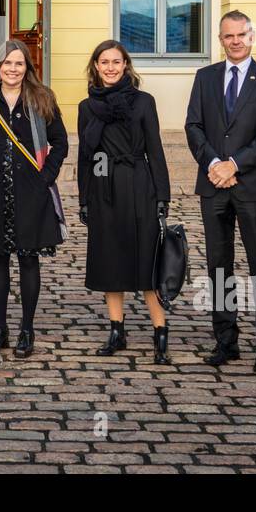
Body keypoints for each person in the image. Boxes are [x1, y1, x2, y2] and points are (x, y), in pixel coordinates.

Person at [184, 10, 256, 376]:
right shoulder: (205, 77)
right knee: (218, 266)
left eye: (241, 34)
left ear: (252, 36)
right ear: (220, 39)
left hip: (253, 186)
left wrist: (234, 165)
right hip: (213, 186)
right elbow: (193, 126)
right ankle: (225, 341)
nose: (235, 41)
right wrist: (214, 164)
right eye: (228, 36)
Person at [0, 40, 68, 358]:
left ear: (27, 68)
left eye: (19, 63)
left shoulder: (41, 98)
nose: (12, 69)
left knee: (27, 259)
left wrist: (44, 177)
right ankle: (0, 329)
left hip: (31, 192)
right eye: (7, 63)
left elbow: (60, 142)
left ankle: (26, 329)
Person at [77, 40, 173, 365]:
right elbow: (87, 156)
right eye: (104, 62)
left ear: (126, 65)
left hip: (140, 185)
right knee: (110, 260)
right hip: (105, 188)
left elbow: (156, 150)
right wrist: (85, 197)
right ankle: (117, 331)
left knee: (147, 261)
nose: (110, 68)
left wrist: (163, 195)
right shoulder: (87, 107)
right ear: (95, 66)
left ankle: (160, 333)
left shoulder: (144, 102)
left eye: (116, 62)